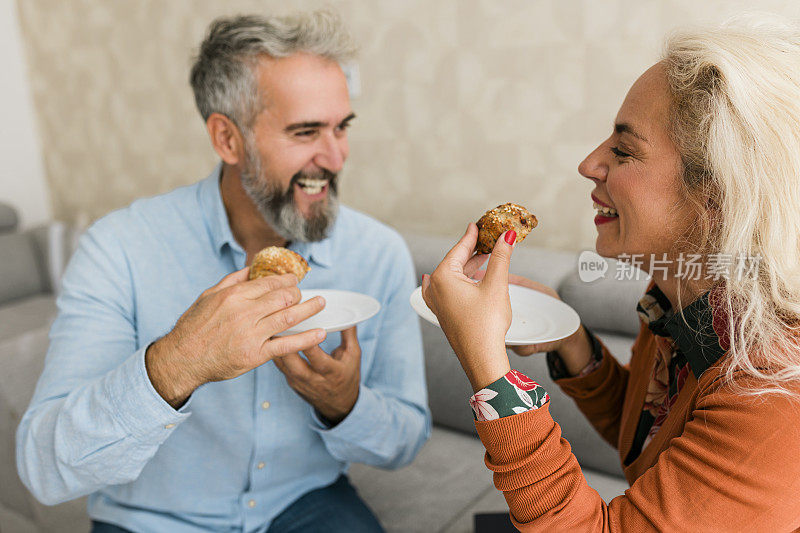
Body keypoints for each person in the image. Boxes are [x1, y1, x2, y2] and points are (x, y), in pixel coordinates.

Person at [17, 11, 430, 533]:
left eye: (341, 127)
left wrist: (345, 405)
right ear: (227, 139)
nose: (335, 156)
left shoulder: (379, 253)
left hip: (304, 504)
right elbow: (42, 469)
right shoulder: (118, 248)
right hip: (154, 521)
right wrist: (175, 365)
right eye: (306, 131)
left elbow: (407, 438)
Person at [422, 14, 800, 532]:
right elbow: (649, 431)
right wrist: (569, 339)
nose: (589, 163)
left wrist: (490, 370)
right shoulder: (678, 293)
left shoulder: (776, 393)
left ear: (717, 194)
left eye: (623, 150)